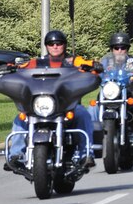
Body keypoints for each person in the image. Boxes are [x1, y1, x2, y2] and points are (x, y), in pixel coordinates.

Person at [6, 30, 97, 169]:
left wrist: (93, 65)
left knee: (83, 114)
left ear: (64, 45)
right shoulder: (38, 62)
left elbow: (88, 63)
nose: (55, 46)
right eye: (51, 43)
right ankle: (16, 155)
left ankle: (86, 154)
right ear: (46, 46)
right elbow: (23, 68)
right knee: (21, 117)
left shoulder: (73, 60)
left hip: (68, 106)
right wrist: (12, 68)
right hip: (42, 105)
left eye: (58, 43)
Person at [99, 32, 133, 139]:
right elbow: (98, 71)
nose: (119, 51)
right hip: (110, 94)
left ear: (127, 49)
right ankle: (94, 138)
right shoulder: (106, 61)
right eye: (116, 48)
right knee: (94, 106)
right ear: (112, 49)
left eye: (122, 48)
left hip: (130, 93)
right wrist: (93, 74)